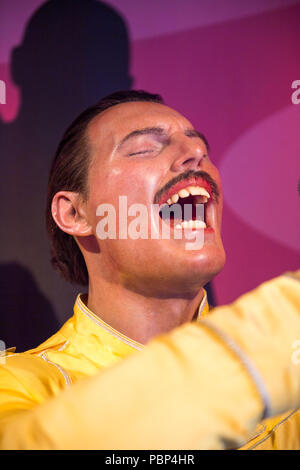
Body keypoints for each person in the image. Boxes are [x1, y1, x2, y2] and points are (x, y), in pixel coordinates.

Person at [0, 90, 299, 450]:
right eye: (144, 149)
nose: (195, 155)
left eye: (200, 147)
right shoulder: (20, 386)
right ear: (75, 214)